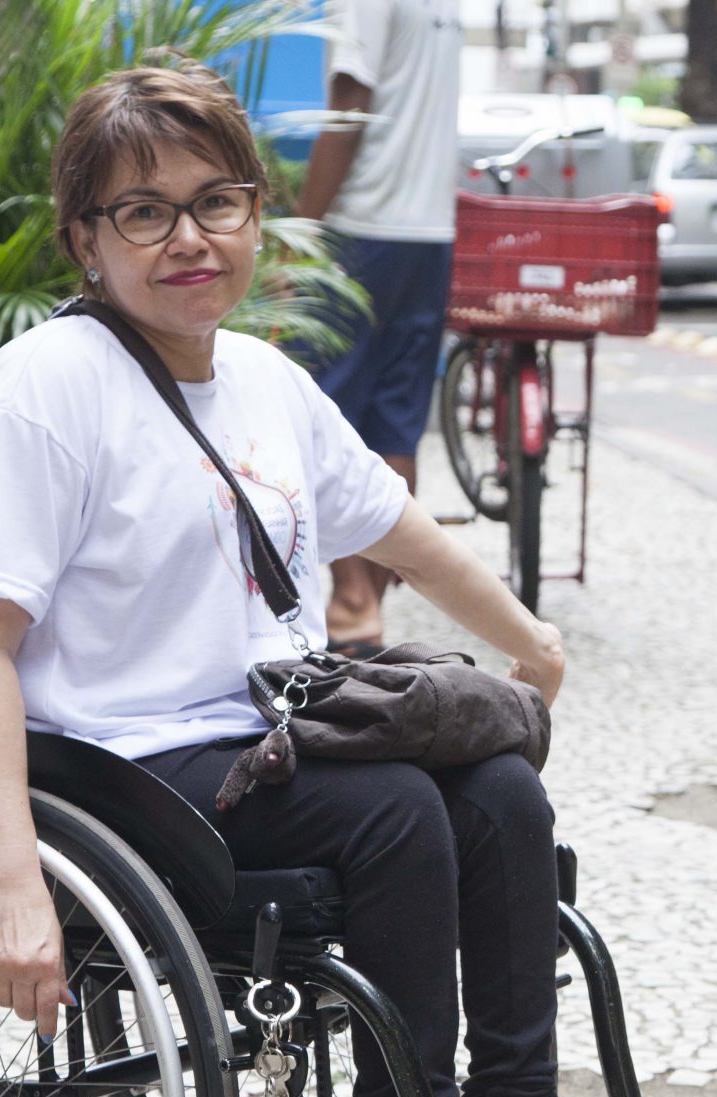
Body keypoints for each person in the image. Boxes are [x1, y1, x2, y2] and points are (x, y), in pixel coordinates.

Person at [0, 64, 681, 1097]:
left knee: (497, 789)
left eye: (217, 202)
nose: (189, 238)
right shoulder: (43, 393)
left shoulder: (265, 382)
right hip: (122, 763)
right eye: (144, 211)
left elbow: (394, 529)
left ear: (256, 215)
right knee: (390, 812)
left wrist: (530, 642)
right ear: (85, 238)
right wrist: (7, 877)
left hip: (264, 727)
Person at [296, 0, 464, 656]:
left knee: (322, 414)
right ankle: (369, 610)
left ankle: (353, 599)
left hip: (362, 230)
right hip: (429, 236)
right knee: (396, 422)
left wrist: (303, 232)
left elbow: (348, 106)